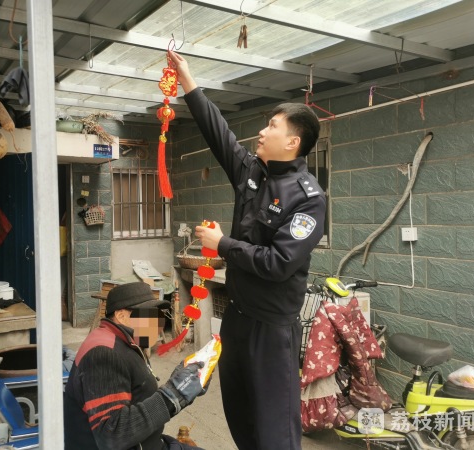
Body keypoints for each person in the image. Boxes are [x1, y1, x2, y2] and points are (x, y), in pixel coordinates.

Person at [168, 50, 327, 450]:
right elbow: (217, 132)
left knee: (275, 430)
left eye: (271, 126)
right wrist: (186, 79)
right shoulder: (252, 172)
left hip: (272, 330)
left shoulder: (308, 199)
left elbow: (279, 264)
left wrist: (223, 244)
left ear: (292, 141)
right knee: (240, 417)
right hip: (236, 321)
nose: (261, 131)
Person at [64, 281, 207, 450]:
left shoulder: (125, 342)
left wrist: (183, 389)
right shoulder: (104, 353)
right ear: (121, 316)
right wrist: (174, 394)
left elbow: (141, 396)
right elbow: (112, 435)